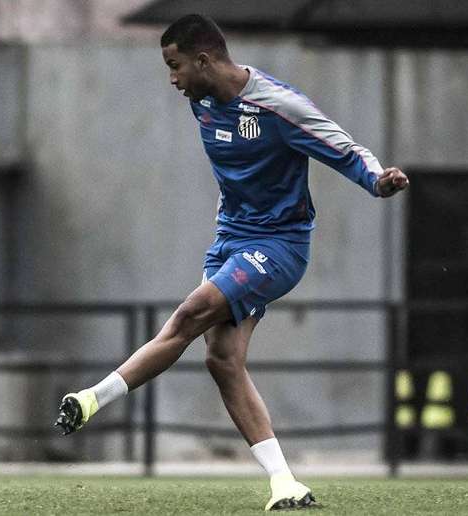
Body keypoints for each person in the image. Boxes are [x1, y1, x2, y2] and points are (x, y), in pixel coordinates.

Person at [54, 13, 409, 511]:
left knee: (189, 313)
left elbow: (342, 147)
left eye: (175, 65)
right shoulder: (201, 101)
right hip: (229, 241)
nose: (171, 79)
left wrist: (378, 180)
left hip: (280, 246)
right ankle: (285, 484)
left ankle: (92, 399)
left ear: (204, 60)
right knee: (222, 360)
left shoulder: (278, 106)